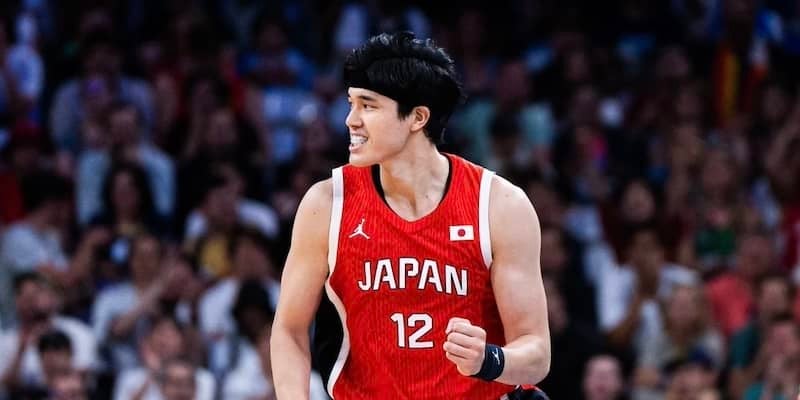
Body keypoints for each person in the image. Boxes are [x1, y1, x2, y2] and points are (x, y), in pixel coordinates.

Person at [271, 31, 550, 399]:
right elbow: (289, 330)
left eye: (368, 106)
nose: (351, 120)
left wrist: (490, 359)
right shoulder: (326, 204)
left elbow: (537, 354)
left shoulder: (500, 206)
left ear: (418, 117)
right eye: (351, 103)